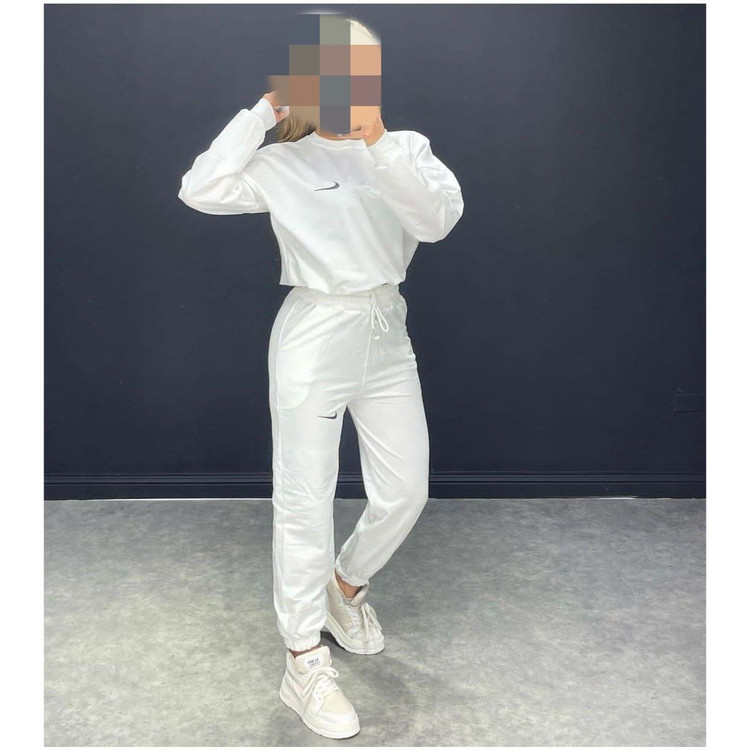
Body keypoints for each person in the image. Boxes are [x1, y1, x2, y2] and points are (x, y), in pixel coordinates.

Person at [178, 20, 463, 740]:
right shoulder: (283, 161)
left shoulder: (406, 148)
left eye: (360, 69)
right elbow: (200, 188)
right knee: (305, 498)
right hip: (314, 332)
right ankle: (303, 658)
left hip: (385, 329)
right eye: (331, 70)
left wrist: (376, 141)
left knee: (406, 492)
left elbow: (436, 222)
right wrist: (265, 111)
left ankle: (345, 587)